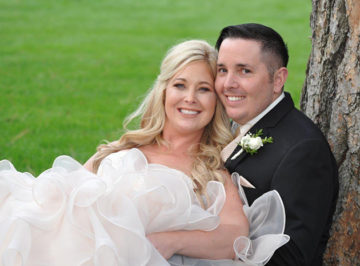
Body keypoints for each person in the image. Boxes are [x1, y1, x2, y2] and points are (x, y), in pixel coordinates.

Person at [0, 39, 288, 266]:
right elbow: (65, 202)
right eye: (179, 85)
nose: (189, 98)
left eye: (203, 89)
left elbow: (235, 236)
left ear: (216, 102)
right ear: (163, 91)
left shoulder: (210, 168)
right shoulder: (121, 150)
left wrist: (171, 241)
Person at [150, 24, 339, 265]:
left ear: (278, 79)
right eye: (222, 70)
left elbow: (291, 257)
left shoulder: (302, 150)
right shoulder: (226, 126)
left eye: (244, 71)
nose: (228, 83)